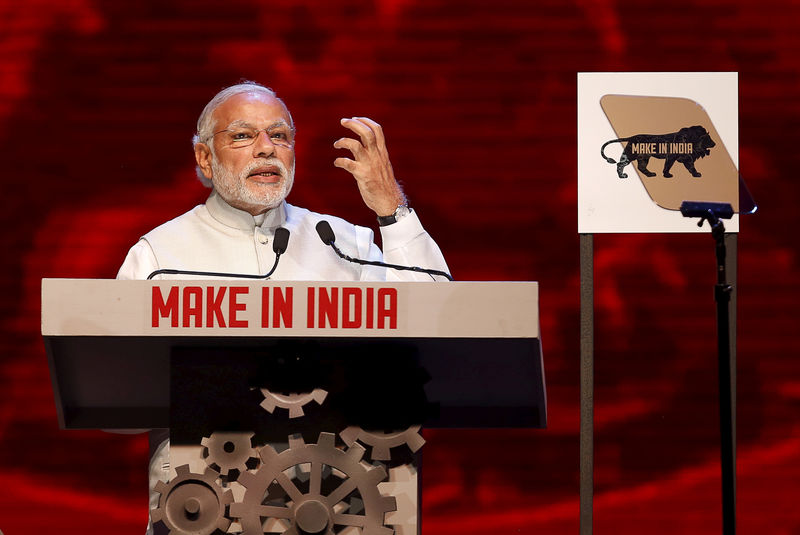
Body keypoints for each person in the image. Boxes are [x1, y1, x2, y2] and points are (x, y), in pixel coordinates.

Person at [116, 82, 449, 533]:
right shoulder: (158, 257)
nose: (266, 149)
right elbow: (116, 406)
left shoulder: (344, 243)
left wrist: (391, 208)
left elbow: (440, 324)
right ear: (204, 159)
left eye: (280, 136)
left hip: (345, 504)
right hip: (204, 506)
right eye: (242, 136)